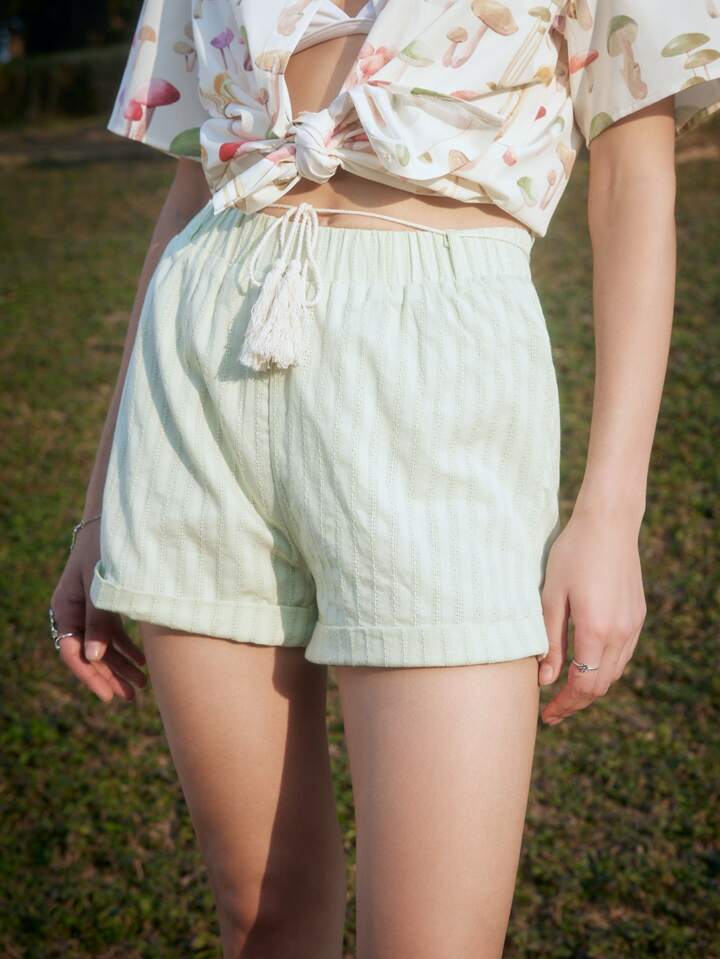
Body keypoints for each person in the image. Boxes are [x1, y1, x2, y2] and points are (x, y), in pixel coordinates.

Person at [48, 1, 720, 956]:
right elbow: (193, 185)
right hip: (199, 363)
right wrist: (98, 508)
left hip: (439, 369)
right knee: (260, 914)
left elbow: (633, 174)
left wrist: (612, 513)